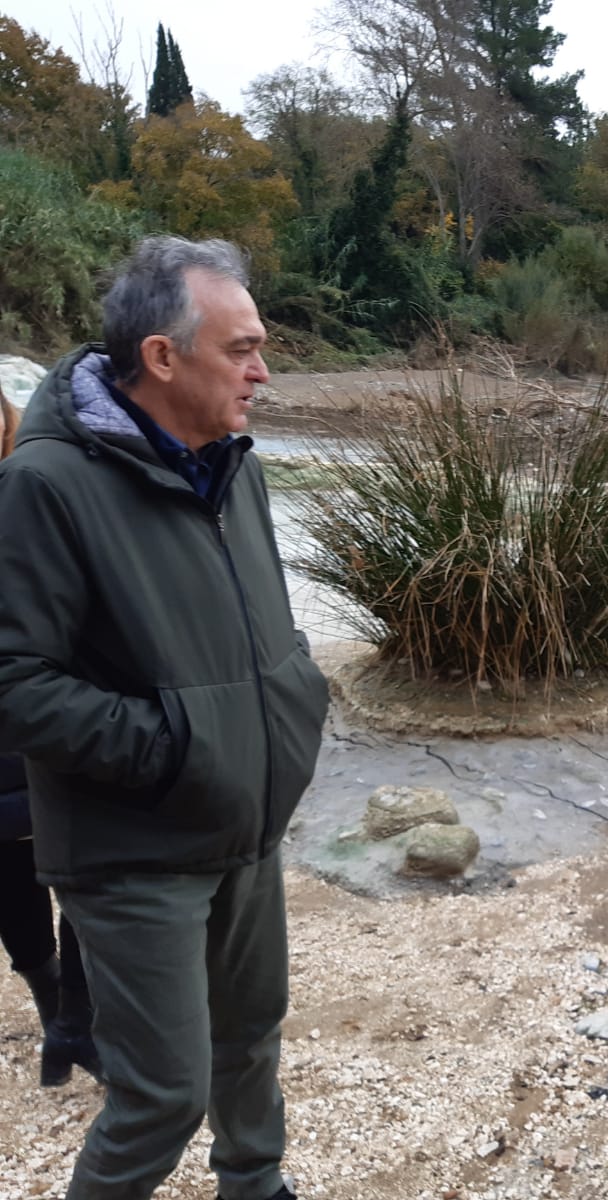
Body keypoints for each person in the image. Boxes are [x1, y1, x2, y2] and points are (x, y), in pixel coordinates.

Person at [0, 237, 329, 1200]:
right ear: (161, 356)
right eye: (242, 349)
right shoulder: (46, 485)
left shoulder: (235, 465)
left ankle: (256, 1187)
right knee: (160, 1097)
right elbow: (14, 679)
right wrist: (178, 749)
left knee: (250, 1041)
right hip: (133, 847)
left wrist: (291, 704)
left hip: (244, 826)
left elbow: (270, 625)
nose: (261, 371)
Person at [0, 386, 102, 1089]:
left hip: (43, 732)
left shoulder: (32, 494)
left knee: (80, 879)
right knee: (29, 884)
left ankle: (72, 1021)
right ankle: (61, 1016)